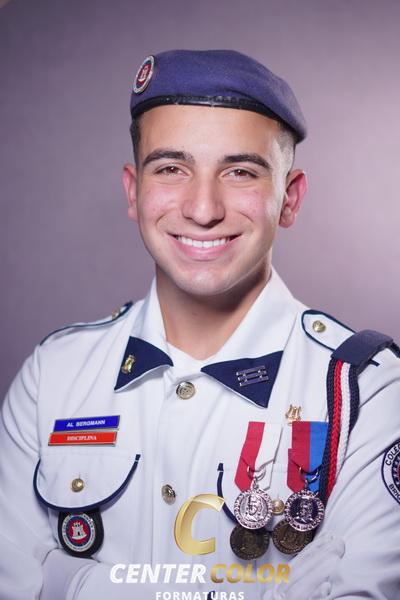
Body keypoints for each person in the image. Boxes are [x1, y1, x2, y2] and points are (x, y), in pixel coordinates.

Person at [0, 49, 399, 600]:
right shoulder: (54, 375)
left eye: (240, 172)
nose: (203, 208)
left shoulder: (367, 391)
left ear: (289, 198)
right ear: (134, 192)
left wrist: (74, 582)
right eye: (171, 168)